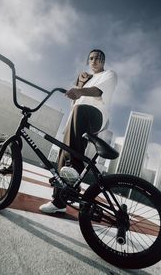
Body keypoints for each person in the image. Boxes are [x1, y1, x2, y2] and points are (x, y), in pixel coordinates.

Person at [39, 49, 118, 213]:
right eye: (91, 58)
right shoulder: (87, 80)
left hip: (96, 116)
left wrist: (80, 90)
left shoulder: (109, 74)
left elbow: (98, 91)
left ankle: (75, 168)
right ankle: (59, 203)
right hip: (77, 118)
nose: (94, 61)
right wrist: (81, 84)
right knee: (63, 152)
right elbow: (74, 104)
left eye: (98, 58)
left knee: (80, 111)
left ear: (103, 61)